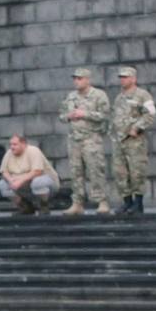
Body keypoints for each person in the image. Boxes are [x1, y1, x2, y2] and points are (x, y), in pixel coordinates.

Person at [58, 67, 112, 215]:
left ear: (88, 80)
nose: (76, 81)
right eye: (75, 78)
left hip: (91, 138)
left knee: (96, 170)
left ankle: (102, 202)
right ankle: (77, 203)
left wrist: (85, 114)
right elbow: (61, 115)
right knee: (76, 171)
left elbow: (105, 115)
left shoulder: (99, 95)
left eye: (80, 78)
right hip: (74, 139)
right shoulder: (71, 96)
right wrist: (69, 115)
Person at [111, 66, 156, 214]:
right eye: (121, 77)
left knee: (137, 171)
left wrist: (137, 127)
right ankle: (127, 202)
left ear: (133, 78)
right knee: (120, 172)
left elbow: (150, 114)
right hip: (119, 141)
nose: (122, 80)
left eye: (125, 77)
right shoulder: (119, 97)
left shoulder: (143, 95)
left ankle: (138, 203)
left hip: (135, 141)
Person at [0, 134, 60, 215]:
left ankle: (44, 205)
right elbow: (3, 171)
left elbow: (37, 172)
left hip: (48, 185)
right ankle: (25, 207)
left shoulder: (33, 150)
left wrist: (20, 181)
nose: (12, 147)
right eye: (11, 144)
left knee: (37, 182)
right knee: (3, 184)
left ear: (23, 144)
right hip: (25, 187)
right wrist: (10, 180)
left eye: (15, 144)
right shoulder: (9, 153)